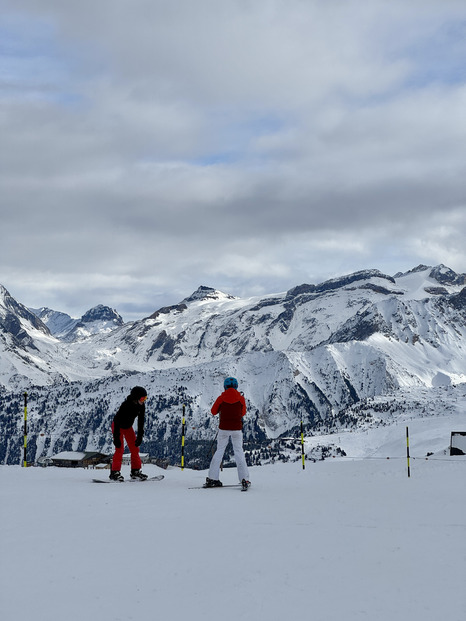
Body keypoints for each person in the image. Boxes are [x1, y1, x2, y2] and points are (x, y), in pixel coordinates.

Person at [205, 377, 251, 490]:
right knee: (239, 452)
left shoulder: (221, 398)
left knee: (219, 451)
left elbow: (213, 411)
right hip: (237, 429)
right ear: (236, 386)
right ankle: (244, 479)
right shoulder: (241, 399)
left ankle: (212, 478)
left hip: (223, 429)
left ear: (225, 387)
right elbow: (243, 412)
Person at [109, 386, 148, 481]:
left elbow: (141, 421)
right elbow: (117, 421)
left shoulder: (141, 406)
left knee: (135, 448)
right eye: (143, 398)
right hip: (118, 426)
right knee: (120, 449)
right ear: (136, 397)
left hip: (128, 427)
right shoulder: (126, 405)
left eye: (145, 398)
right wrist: (116, 438)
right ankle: (115, 473)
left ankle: (135, 471)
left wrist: (139, 436)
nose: (144, 400)